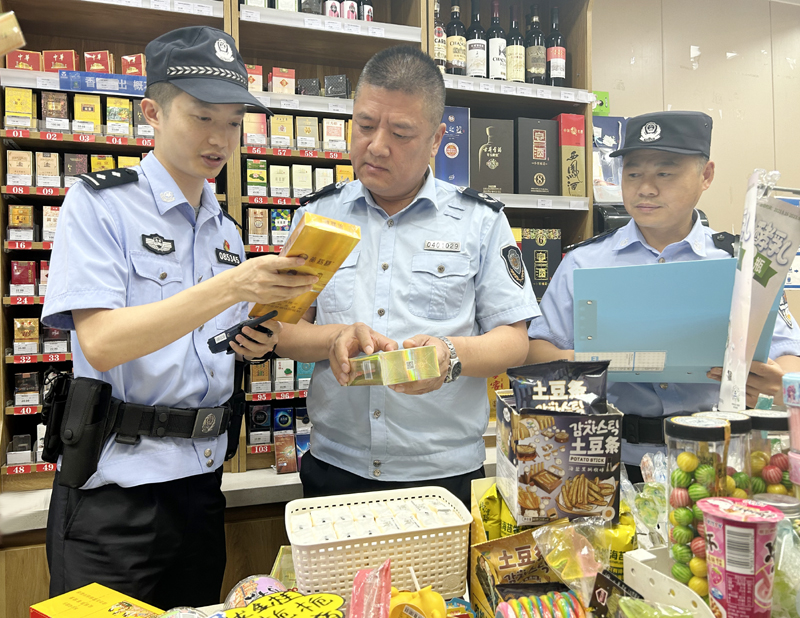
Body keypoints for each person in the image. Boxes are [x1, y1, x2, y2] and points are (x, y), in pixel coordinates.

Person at [41, 26, 317, 608]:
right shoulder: (97, 205)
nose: (220, 139)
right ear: (152, 113)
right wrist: (230, 286)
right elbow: (103, 340)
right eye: (202, 117)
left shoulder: (226, 232)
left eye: (234, 123)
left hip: (201, 489)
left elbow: (225, 335)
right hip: (114, 498)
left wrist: (259, 338)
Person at [276, 46, 539, 506]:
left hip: (442, 475)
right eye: (364, 126)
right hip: (336, 467)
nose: (377, 145)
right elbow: (280, 330)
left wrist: (450, 355)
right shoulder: (317, 216)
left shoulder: (480, 221)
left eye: (400, 132)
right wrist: (334, 339)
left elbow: (514, 342)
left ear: (436, 139)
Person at [526, 111, 800, 480]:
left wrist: (778, 385)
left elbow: (789, 355)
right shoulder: (583, 262)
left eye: (665, 173)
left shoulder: (740, 262)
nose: (646, 188)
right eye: (633, 173)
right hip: (613, 462)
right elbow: (538, 348)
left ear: (706, 175)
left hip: (718, 460)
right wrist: (590, 363)